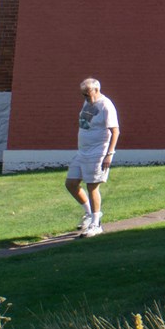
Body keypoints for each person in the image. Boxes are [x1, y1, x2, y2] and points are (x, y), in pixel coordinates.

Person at [66, 77, 119, 237]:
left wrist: (109, 154)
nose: (86, 98)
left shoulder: (106, 105)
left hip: (98, 153)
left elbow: (115, 131)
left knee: (92, 186)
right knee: (71, 183)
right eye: (83, 95)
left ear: (97, 90)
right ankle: (90, 214)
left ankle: (96, 224)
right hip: (82, 152)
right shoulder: (87, 103)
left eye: (88, 94)